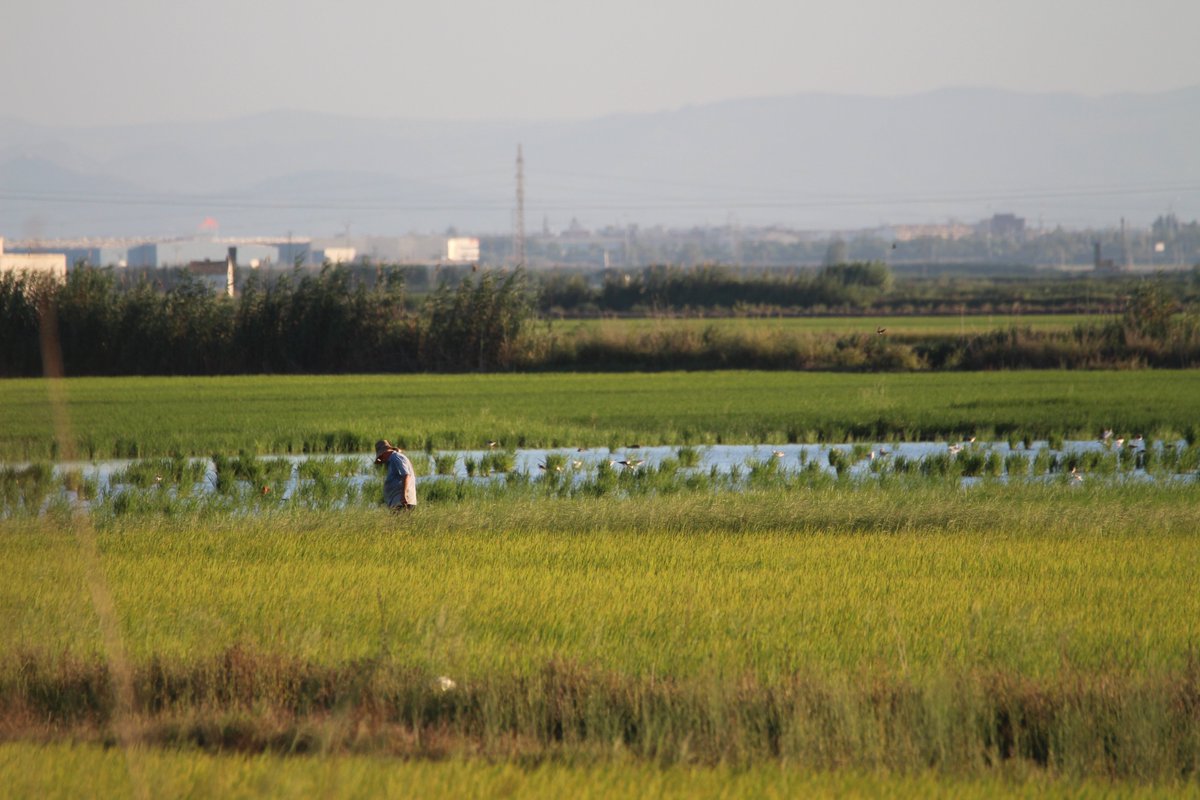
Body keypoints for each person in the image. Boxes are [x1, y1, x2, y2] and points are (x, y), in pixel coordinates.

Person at [375, 439, 417, 511]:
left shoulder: (396, 457)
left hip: (402, 501)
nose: (382, 459)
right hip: (398, 501)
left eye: (381, 457)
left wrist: (404, 495)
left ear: (383, 453)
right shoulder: (392, 459)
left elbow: (406, 475)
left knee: (402, 521)